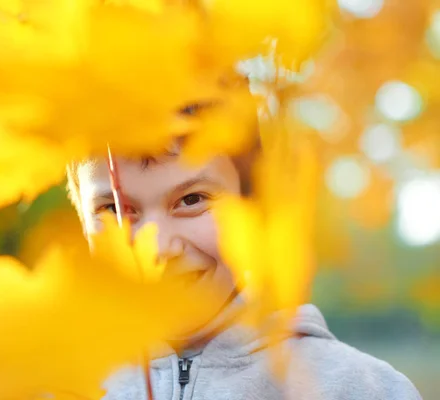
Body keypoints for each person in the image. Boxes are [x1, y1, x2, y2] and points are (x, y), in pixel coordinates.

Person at [65, 104, 421, 400]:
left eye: (191, 200)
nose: (157, 248)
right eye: (114, 209)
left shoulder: (361, 389)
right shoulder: (50, 386)